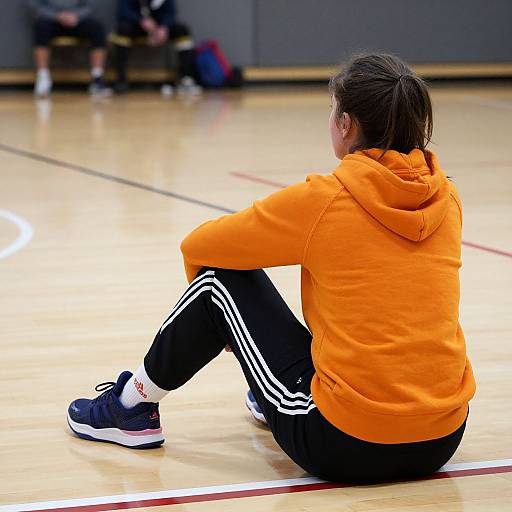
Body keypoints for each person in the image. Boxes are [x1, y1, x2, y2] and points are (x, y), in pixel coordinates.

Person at [67, 54, 476, 484]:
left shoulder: (326, 198)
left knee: (217, 285)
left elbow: (201, 246)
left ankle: (131, 407)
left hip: (347, 442)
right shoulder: (447, 198)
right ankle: (273, 395)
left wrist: (223, 328)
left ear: (346, 125)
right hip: (442, 436)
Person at [113, 0, 201, 95]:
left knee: (182, 30)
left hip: (160, 29)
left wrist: (164, 26)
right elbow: (123, 12)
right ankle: (121, 79)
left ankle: (185, 77)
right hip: (138, 28)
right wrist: (140, 20)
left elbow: (171, 13)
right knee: (122, 30)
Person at [29, 0, 111, 97]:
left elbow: (91, 5)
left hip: (78, 19)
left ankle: (97, 78)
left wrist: (76, 15)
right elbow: (34, 4)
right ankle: (43, 77)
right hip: (51, 19)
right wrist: (56, 16)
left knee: (97, 28)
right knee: (41, 27)